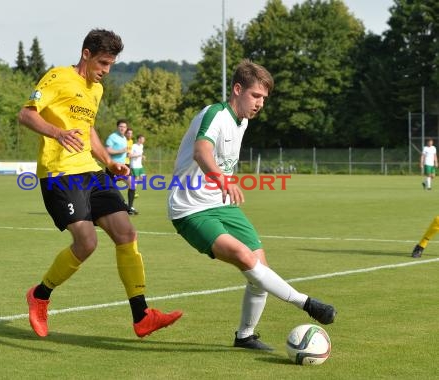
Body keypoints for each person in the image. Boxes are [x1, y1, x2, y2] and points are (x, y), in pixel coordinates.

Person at [17, 29, 182, 339]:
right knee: (87, 243)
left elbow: (88, 129)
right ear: (86, 54)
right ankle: (40, 295)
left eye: (111, 65)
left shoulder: (95, 90)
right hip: (59, 173)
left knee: (126, 232)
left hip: (91, 171)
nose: (106, 71)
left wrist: (108, 161)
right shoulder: (58, 78)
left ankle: (142, 315)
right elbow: (25, 115)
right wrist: (56, 133)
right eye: (103, 63)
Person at [167, 59, 336, 351]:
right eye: (255, 95)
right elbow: (201, 150)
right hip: (190, 208)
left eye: (264, 98)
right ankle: (306, 303)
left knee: (260, 270)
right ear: (237, 89)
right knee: (245, 257)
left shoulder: (242, 120)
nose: (260, 103)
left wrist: (223, 183)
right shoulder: (216, 114)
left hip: (222, 204)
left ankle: (245, 336)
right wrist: (222, 179)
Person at [105, 119, 136, 214]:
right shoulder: (112, 137)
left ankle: (129, 208)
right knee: (111, 190)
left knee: (132, 184)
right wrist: (121, 151)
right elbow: (108, 150)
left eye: (124, 127)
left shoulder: (124, 138)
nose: (122, 128)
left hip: (123, 167)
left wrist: (128, 154)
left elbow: (123, 152)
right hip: (113, 167)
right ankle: (120, 205)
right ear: (117, 127)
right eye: (121, 126)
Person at [128, 134, 146, 213]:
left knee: (143, 178)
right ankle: (133, 192)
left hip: (140, 166)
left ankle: (133, 191)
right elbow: (130, 155)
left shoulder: (141, 146)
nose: (143, 140)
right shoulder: (134, 146)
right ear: (138, 139)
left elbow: (140, 155)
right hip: (134, 166)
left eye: (144, 139)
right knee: (135, 180)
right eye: (142, 139)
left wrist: (142, 156)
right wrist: (139, 155)